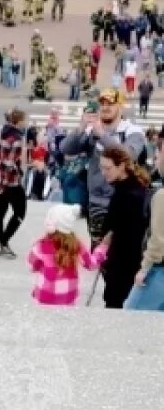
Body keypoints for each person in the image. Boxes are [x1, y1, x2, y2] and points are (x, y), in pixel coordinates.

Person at [61, 87, 146, 243]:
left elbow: (128, 155)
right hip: (97, 202)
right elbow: (65, 148)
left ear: (120, 106)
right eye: (102, 103)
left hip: (126, 202)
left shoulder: (132, 131)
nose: (105, 108)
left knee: (123, 251)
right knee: (99, 251)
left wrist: (103, 136)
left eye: (110, 104)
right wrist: (81, 127)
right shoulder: (92, 130)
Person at [96, 144, 151, 308]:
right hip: (126, 261)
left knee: (116, 305)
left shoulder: (128, 194)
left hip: (125, 264)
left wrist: (106, 238)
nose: (104, 173)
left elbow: (119, 230)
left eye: (108, 168)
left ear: (121, 166)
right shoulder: (130, 187)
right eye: (102, 168)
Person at [27, 204, 108, 307]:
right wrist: (102, 248)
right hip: (67, 297)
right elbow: (91, 264)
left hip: (44, 296)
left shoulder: (41, 245)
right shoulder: (76, 244)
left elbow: (32, 266)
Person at [125, 140, 164, 310]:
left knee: (132, 313)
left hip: (159, 270)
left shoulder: (162, 196)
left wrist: (145, 268)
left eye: (158, 154)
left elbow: (158, 239)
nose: (156, 159)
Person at [0, 108, 29, 258]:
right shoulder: (17, 138)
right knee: (20, 211)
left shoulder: (4, 133)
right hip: (10, 182)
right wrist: (18, 172)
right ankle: (3, 241)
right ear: (18, 122)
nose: (25, 123)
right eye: (24, 120)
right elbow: (9, 162)